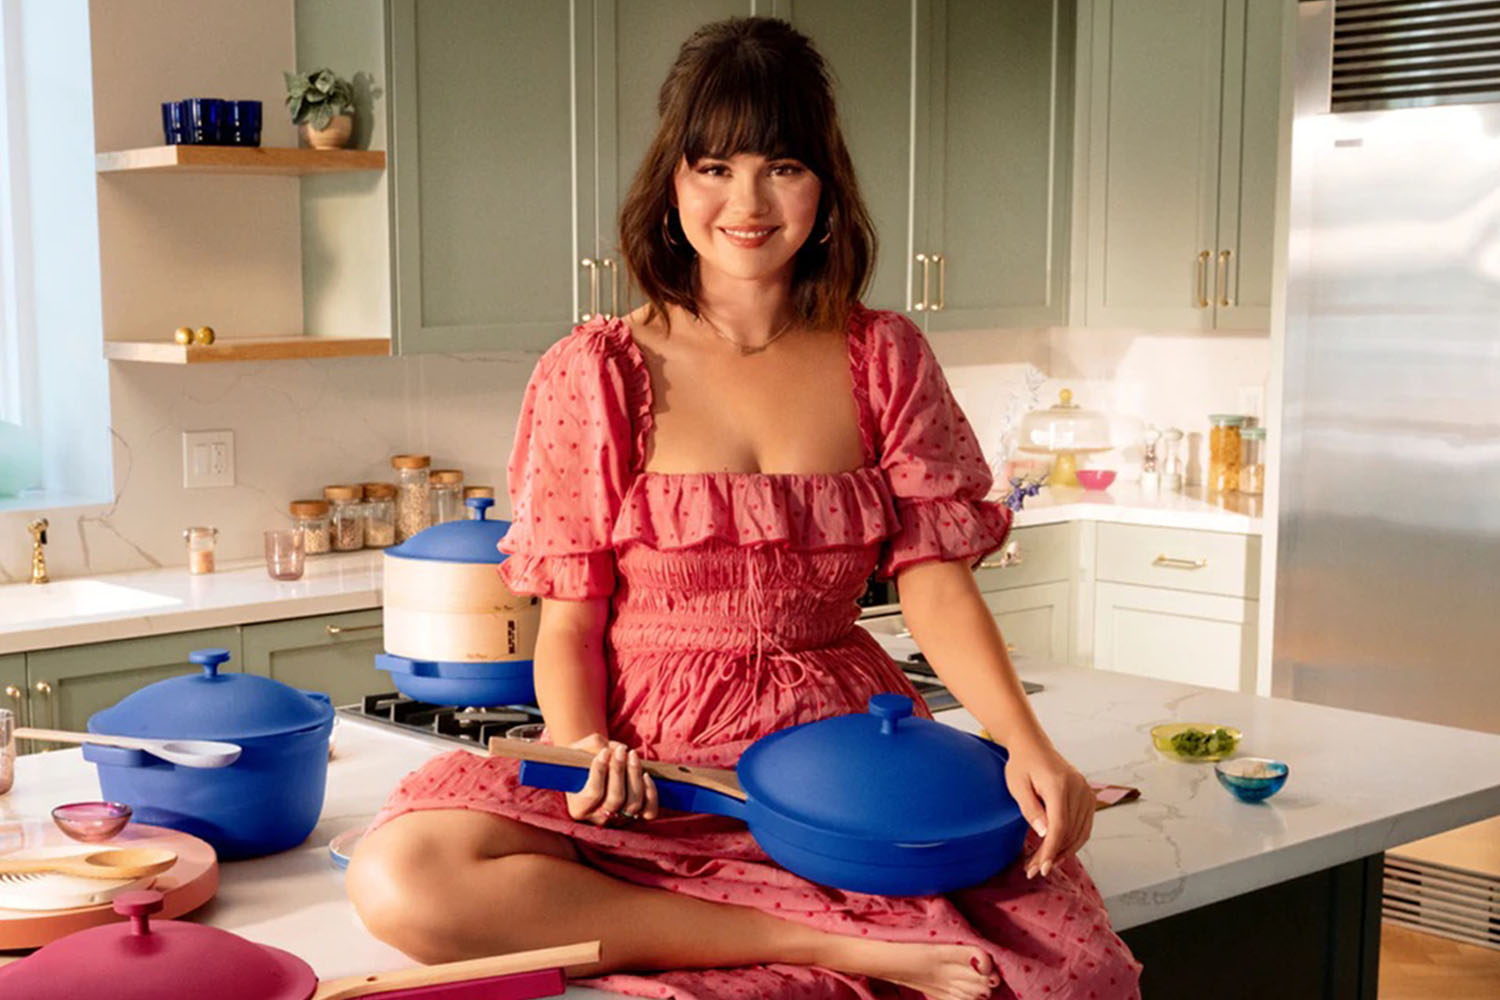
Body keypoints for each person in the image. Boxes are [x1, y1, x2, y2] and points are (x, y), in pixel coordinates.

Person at [349, 17, 1142, 1000]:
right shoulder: (595, 371)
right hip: (653, 751)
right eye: (714, 166)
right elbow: (572, 618)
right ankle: (834, 944)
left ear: (827, 182)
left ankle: (813, 933)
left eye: (782, 166)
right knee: (402, 874)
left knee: (1044, 929)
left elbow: (936, 587)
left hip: (833, 746)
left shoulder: (883, 356)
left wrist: (1031, 746)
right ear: (672, 181)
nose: (748, 202)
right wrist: (583, 741)